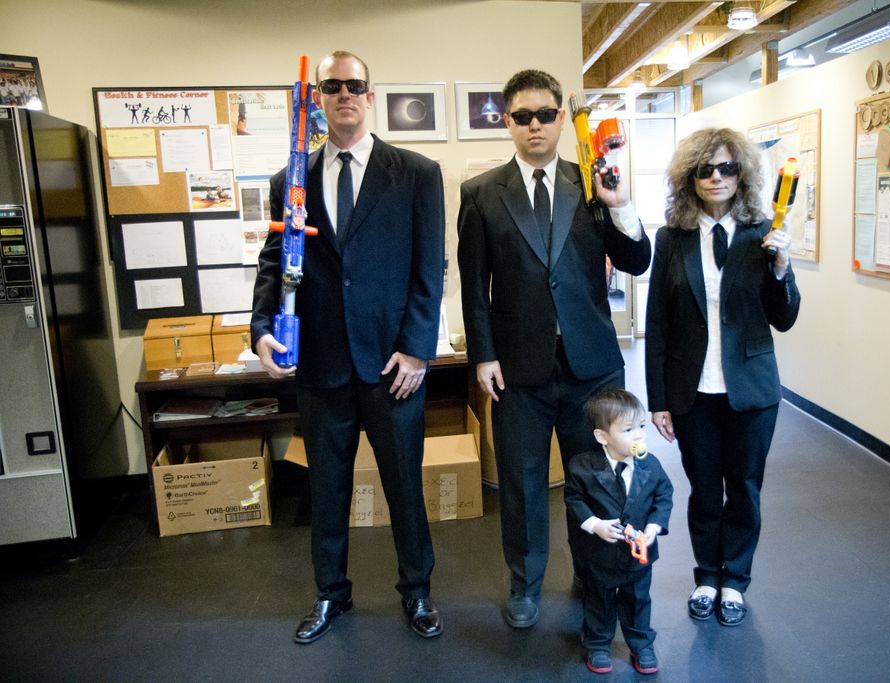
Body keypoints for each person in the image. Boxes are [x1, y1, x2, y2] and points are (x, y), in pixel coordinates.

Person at [250, 50, 445, 644]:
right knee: (326, 491)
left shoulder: (416, 173)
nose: (344, 95)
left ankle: (417, 592)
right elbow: (273, 263)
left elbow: (429, 269)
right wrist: (261, 329)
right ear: (318, 98)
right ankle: (331, 594)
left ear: (370, 95)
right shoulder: (291, 180)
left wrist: (418, 349)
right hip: (321, 365)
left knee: (404, 487)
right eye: (331, 86)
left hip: (392, 366)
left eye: (354, 85)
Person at [457, 69, 651, 629]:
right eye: (523, 117)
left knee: (594, 480)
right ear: (507, 122)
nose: (535, 125)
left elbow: (637, 261)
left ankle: (593, 573)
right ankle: (525, 584)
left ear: (562, 118)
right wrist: (483, 354)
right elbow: (473, 284)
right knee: (521, 483)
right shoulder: (481, 193)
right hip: (518, 369)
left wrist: (619, 204)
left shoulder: (591, 182)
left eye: (545, 114)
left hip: (592, 367)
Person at [645, 127, 800, 627]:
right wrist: (658, 399)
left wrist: (781, 269)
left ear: (743, 175)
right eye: (705, 169)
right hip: (693, 391)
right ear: (689, 178)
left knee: (745, 490)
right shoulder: (672, 238)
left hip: (751, 390)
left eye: (727, 168)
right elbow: (657, 322)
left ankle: (735, 580)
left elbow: (784, 318)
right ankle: (707, 576)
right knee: (705, 491)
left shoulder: (763, 234)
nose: (716, 177)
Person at [564, 389, 673, 675]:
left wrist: (653, 527)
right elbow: (574, 499)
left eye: (641, 426)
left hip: (638, 555)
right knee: (598, 599)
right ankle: (598, 643)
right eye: (628, 430)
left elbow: (664, 496)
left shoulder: (650, 464)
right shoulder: (582, 467)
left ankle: (641, 643)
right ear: (602, 436)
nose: (639, 435)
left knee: (638, 600)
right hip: (600, 553)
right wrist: (595, 525)